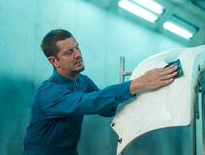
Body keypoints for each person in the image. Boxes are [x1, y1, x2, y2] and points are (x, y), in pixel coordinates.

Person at [23, 29, 178, 155]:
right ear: (54, 61)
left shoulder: (82, 81)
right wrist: (138, 83)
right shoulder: (49, 93)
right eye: (69, 52)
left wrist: (147, 95)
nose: (78, 54)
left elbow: (106, 108)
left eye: (77, 48)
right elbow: (92, 101)